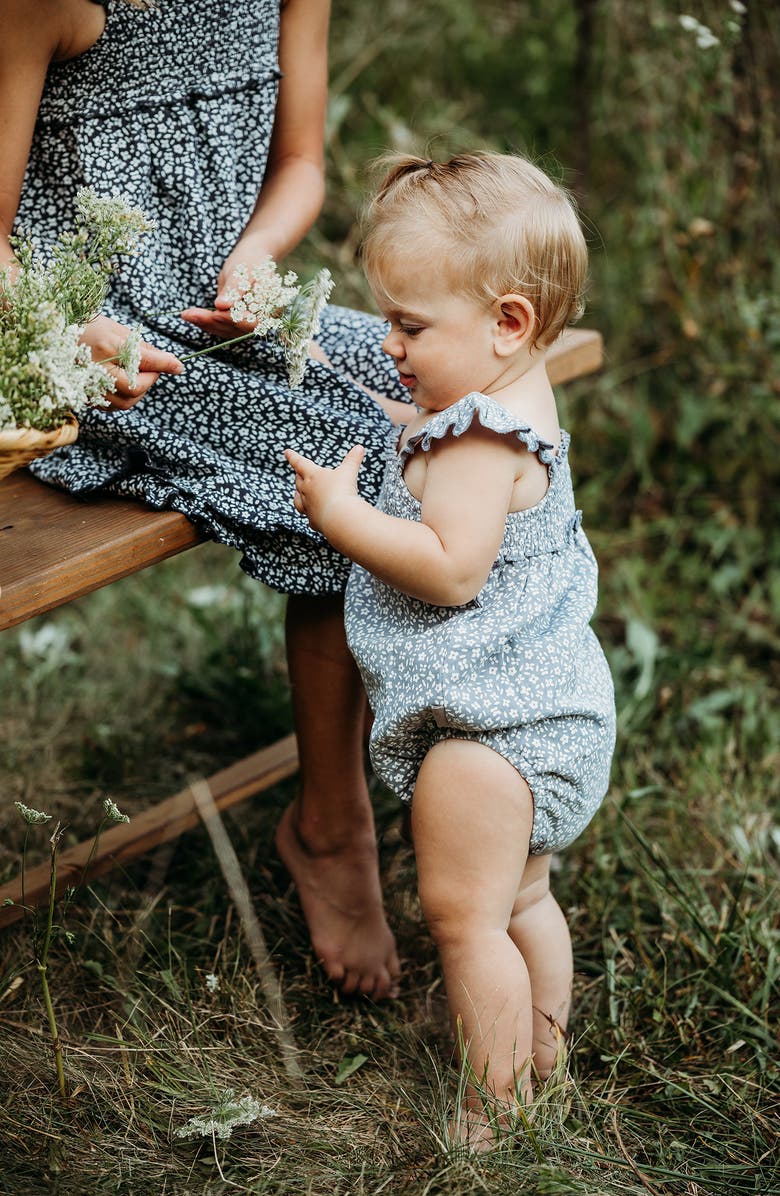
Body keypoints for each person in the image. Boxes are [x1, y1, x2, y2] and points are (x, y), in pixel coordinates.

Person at [0, 0, 409, 999]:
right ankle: (332, 818)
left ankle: (475, 736)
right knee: (345, 459)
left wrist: (257, 256)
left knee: (437, 399)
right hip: (90, 355)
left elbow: (301, 161)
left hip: (230, 312)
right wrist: (72, 334)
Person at [285, 152, 616, 1145]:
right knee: (522, 899)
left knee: (465, 918)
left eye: (410, 325)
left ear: (507, 321)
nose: (389, 341)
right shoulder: (511, 401)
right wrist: (401, 418)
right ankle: (543, 1056)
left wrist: (343, 516)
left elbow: (450, 565)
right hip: (551, 713)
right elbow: (437, 444)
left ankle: (492, 1108)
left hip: (487, 737)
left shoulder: (474, 439)